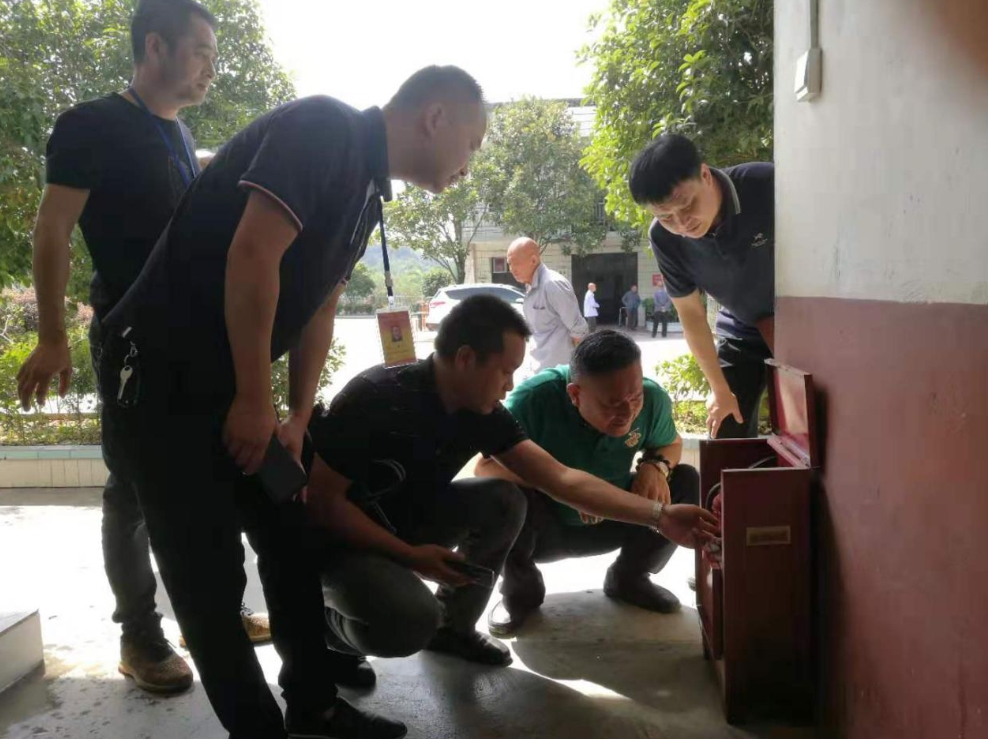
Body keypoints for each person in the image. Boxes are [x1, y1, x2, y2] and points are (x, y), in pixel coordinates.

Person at [97, 65, 489, 739]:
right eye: (472, 144)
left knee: (290, 533)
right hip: (160, 384)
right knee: (208, 577)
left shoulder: (367, 190)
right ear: (435, 118)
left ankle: (314, 703)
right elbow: (253, 254)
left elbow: (320, 308)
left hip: (232, 388)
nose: (468, 165)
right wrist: (256, 397)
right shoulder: (324, 128)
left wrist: (297, 414)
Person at [13, 0, 269, 695]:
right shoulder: (91, 124)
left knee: (205, 473)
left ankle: (212, 610)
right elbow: (51, 229)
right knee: (130, 488)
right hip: (130, 343)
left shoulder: (179, 133)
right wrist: (53, 335)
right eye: (201, 52)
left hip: (192, 341)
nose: (212, 69)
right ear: (155, 47)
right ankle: (138, 633)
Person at [302, 297, 718, 684]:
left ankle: (453, 629)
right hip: (344, 540)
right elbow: (322, 504)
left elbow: (560, 479)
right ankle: (326, 631)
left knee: (502, 500)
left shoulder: (482, 412)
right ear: (466, 359)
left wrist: (661, 515)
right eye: (505, 371)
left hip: (407, 522)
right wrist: (409, 557)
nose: (510, 384)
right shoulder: (376, 397)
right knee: (408, 621)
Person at [475, 330, 699, 634]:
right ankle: (519, 594)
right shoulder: (533, 400)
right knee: (501, 498)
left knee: (685, 480)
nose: (628, 412)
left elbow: (670, 443)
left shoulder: (652, 398)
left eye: (635, 398)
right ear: (575, 394)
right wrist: (564, 489)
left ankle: (629, 577)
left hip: (615, 518)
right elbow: (485, 468)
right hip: (547, 527)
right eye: (612, 403)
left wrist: (655, 466)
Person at [629, 133, 774, 438]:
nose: (682, 224)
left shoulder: (766, 184)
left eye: (687, 205)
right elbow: (691, 315)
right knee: (725, 427)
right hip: (742, 329)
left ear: (705, 175)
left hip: (803, 324)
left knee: (810, 421)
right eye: (665, 216)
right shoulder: (664, 238)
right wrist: (719, 391)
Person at [506, 237, 588, 373]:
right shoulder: (530, 286)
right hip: (538, 369)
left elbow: (578, 330)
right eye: (509, 264)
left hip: (559, 374)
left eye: (516, 263)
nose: (512, 269)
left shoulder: (552, 284)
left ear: (533, 260)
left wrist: (580, 373)